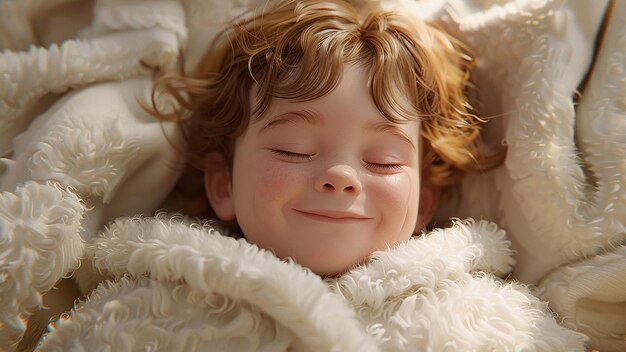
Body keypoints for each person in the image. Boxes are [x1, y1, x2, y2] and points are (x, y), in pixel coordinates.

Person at [150, 0, 503, 276]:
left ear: (424, 203)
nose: (340, 178)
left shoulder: (468, 310)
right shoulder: (163, 283)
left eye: (384, 160)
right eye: (294, 150)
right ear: (223, 185)